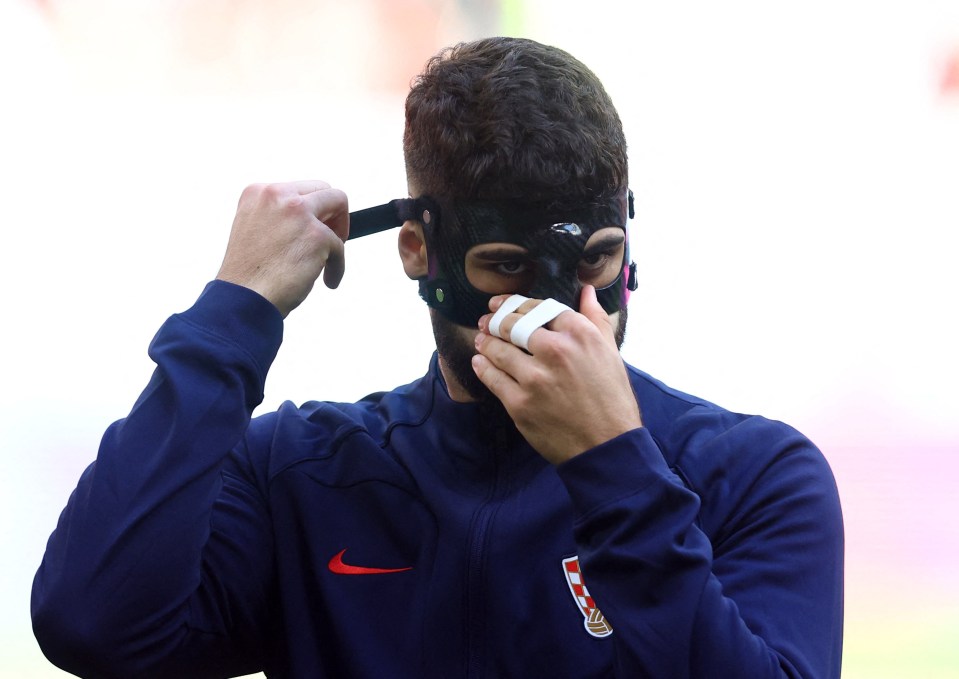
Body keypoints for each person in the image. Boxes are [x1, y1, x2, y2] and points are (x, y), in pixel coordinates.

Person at [32, 37, 844, 678]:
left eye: (594, 260)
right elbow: (93, 625)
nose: (560, 313)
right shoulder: (302, 475)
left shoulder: (750, 476)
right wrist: (233, 315)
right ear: (418, 252)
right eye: (508, 268)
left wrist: (616, 470)